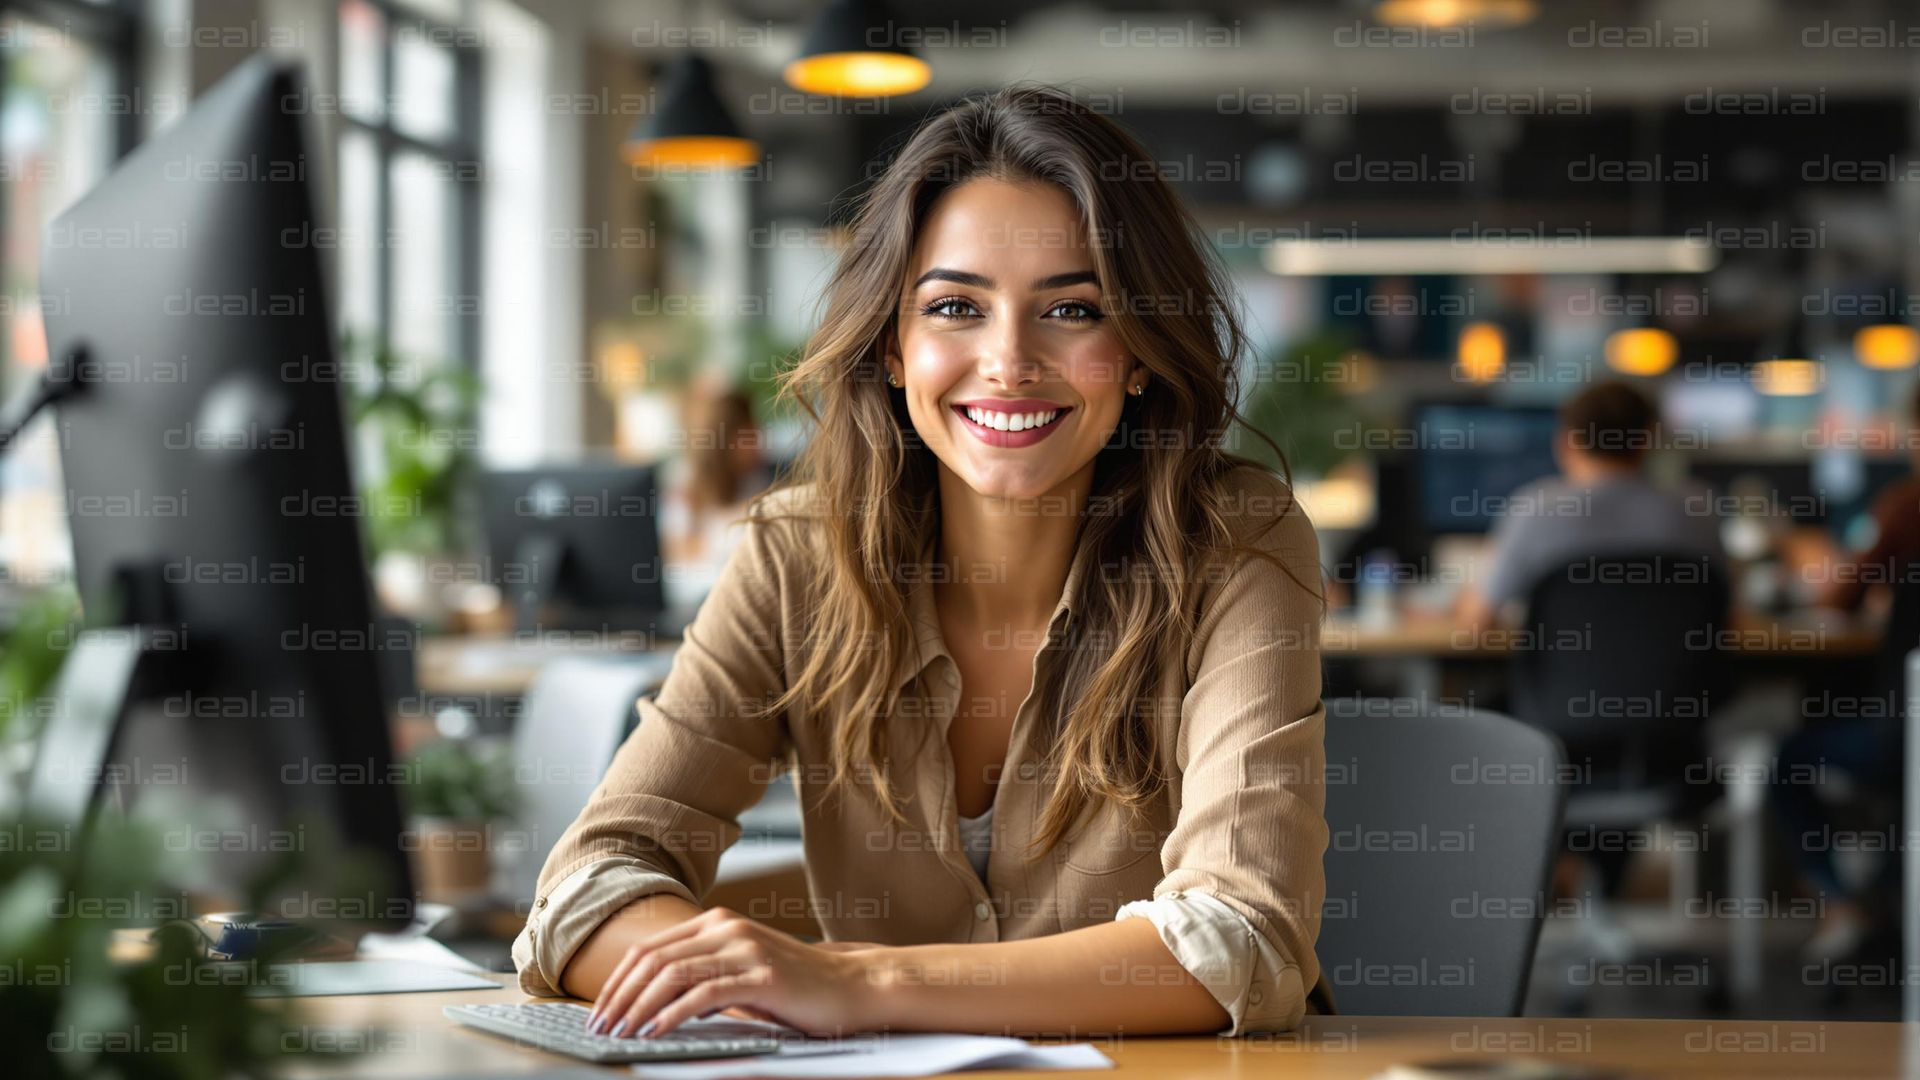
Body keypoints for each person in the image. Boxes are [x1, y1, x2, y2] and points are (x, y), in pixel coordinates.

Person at [510, 85, 1330, 1040]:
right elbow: (588, 886)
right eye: (954, 307)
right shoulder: (797, 551)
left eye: (1073, 309)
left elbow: (1242, 939)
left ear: (1141, 349)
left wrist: (863, 985)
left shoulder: (1236, 540)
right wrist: (726, 973)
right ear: (894, 347)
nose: (1010, 361)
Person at [1770, 382, 1920, 963]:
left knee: (1788, 760)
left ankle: (1844, 901)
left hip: (1900, 733)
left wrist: (1801, 552)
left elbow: (1839, 599)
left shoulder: (1909, 504)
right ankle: (1882, 894)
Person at [1453, 380, 1726, 636]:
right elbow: (1729, 614)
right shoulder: (1697, 508)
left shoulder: (1534, 510)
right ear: (1648, 440)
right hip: (1680, 686)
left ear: (1566, 442)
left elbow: (1477, 623)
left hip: (1564, 686)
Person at [656, 379, 772, 611]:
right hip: (691, 604)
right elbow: (676, 556)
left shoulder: (761, 482)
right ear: (725, 441)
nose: (760, 442)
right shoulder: (682, 481)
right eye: (749, 433)